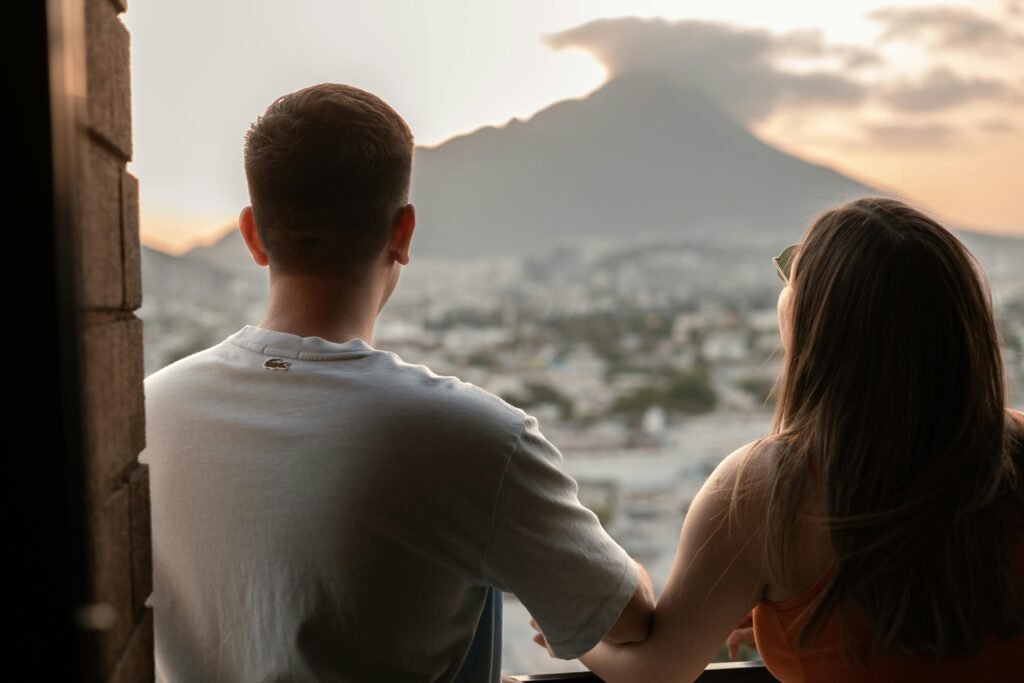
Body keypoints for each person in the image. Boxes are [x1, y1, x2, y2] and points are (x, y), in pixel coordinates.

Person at [139, 83, 654, 683]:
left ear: (253, 235)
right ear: (403, 232)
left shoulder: (147, 415)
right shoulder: (475, 440)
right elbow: (631, 618)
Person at [532, 197, 1024, 681]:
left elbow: (656, 673)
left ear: (821, 318)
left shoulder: (764, 492)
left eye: (793, 269)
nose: (784, 285)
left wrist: (581, 634)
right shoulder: (1014, 446)